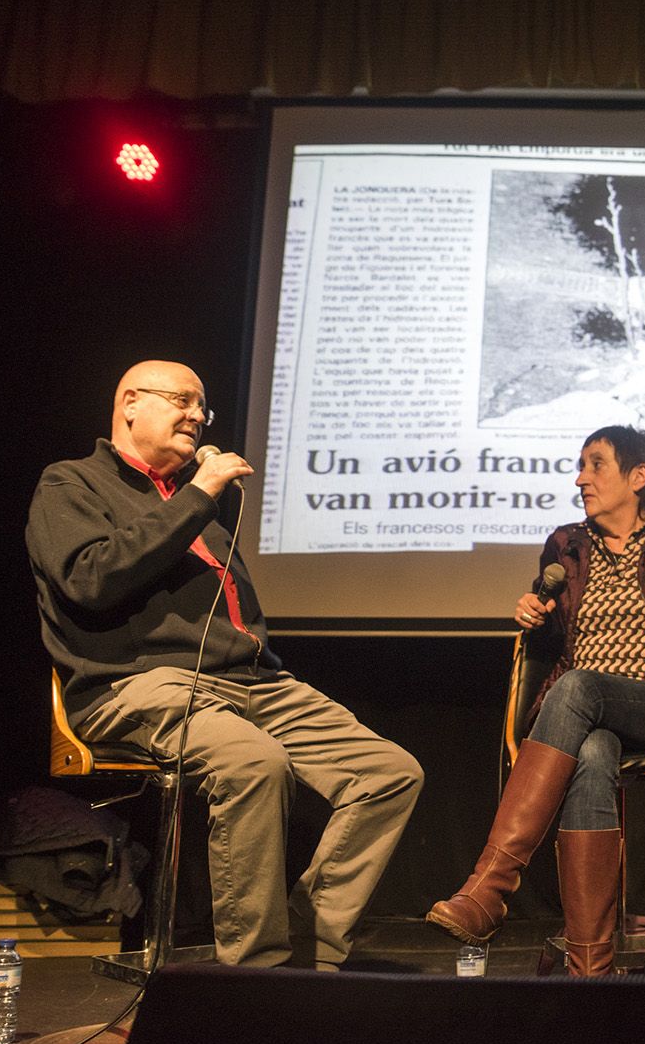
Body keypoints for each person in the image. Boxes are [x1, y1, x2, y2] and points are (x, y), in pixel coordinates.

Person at [26, 360, 423, 970]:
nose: (196, 416)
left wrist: (262, 659)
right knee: (254, 762)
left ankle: (309, 945)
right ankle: (256, 973)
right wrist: (199, 493)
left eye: (202, 407)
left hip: (251, 682)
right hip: (136, 684)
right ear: (130, 403)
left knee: (390, 771)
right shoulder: (71, 483)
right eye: (182, 401)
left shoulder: (199, 498)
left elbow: (231, 609)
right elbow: (91, 580)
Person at [427, 425, 645, 975]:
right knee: (595, 750)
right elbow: (558, 647)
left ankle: (492, 886)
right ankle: (591, 972)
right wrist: (537, 615)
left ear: (639, 477)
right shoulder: (566, 546)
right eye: (580, 466)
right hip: (593, 714)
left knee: (579, 686)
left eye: (595, 465)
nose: (580, 478)